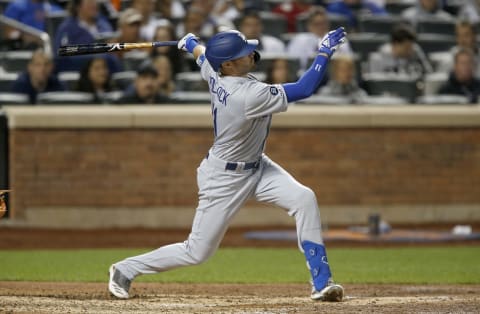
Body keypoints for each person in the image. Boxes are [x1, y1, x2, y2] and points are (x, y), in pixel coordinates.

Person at [108, 28, 347, 302]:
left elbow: (202, 58)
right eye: (242, 53)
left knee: (304, 198)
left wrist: (192, 45)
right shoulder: (246, 95)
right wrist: (324, 52)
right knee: (197, 252)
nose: (250, 54)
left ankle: (321, 281)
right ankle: (124, 269)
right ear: (229, 64)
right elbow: (305, 88)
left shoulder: (218, 71)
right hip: (224, 178)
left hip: (257, 166)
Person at [53, 0, 119, 73]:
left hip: (108, 69)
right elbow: (62, 55)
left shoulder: (104, 25)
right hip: (80, 71)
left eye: (95, 2)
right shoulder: (67, 28)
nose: (94, 5)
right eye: (89, 3)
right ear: (78, 6)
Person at [288, 7, 353, 71]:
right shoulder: (299, 40)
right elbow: (293, 64)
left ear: (328, 24)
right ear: (309, 25)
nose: (320, 27)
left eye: (323, 23)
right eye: (317, 24)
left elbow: (349, 61)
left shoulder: (338, 38)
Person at [368, 24, 433, 79]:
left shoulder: (415, 50)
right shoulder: (378, 58)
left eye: (411, 47)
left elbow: (429, 74)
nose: (410, 51)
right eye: (406, 47)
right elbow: (375, 84)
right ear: (395, 44)